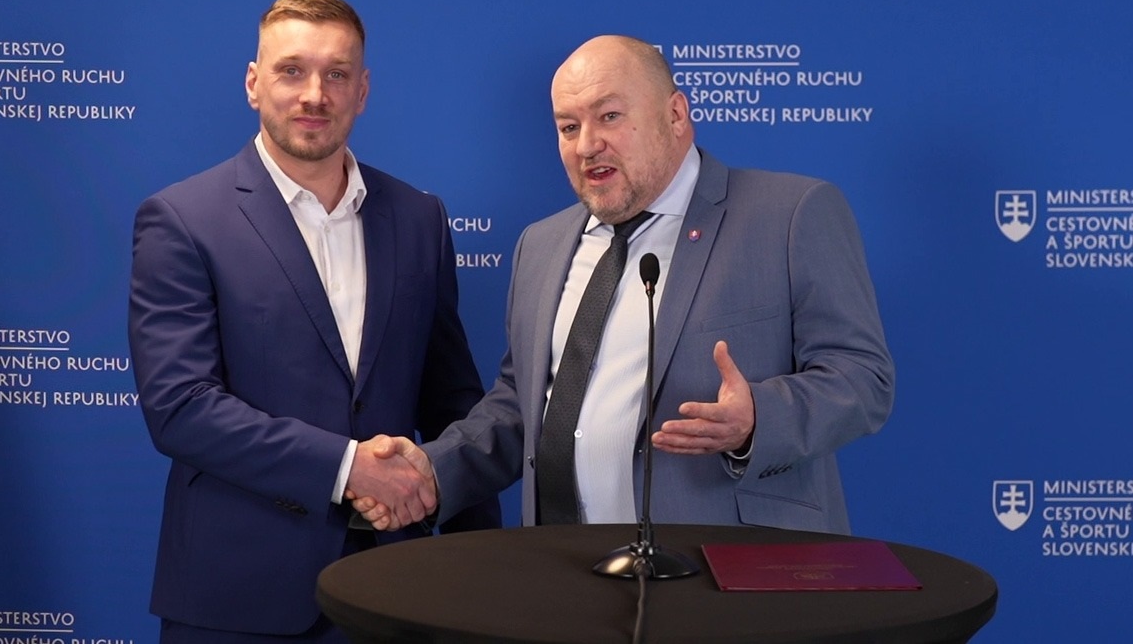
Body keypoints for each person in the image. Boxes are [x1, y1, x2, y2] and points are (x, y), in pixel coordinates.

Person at [354, 34, 894, 535]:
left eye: (609, 116)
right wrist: (433, 471)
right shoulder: (539, 245)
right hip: (566, 569)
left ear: (675, 114)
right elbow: (523, 406)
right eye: (569, 127)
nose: (587, 145)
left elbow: (862, 377)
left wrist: (758, 417)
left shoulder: (789, 215)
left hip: (729, 568)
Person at [127, 0, 499, 644]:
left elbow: (452, 401)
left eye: (336, 74)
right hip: (237, 599)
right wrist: (349, 467)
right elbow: (181, 407)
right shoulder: (183, 219)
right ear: (253, 83)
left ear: (363, 90)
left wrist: (477, 564)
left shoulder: (419, 218)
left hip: (397, 588)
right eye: (291, 70)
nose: (314, 95)